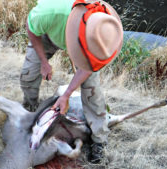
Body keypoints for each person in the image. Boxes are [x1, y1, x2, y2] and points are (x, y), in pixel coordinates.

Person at [20, 0, 123, 163]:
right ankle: (30, 109)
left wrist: (66, 95)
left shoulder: (106, 30)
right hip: (49, 35)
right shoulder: (48, 14)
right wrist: (43, 62)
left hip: (87, 45)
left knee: (92, 91)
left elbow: (88, 68)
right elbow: (31, 29)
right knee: (28, 74)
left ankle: (99, 140)